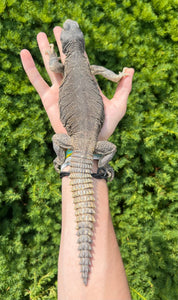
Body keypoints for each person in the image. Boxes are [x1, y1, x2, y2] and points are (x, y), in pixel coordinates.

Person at [20, 25, 134, 300]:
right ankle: (91, 165)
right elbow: (106, 73)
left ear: (70, 46)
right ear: (81, 44)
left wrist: (64, 162)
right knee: (104, 146)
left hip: (75, 145)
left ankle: (66, 161)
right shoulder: (88, 66)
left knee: (57, 140)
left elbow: (53, 65)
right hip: (92, 145)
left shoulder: (64, 67)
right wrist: (118, 76)